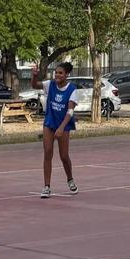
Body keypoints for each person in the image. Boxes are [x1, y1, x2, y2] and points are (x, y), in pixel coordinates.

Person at [31, 61, 78, 199]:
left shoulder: (72, 90)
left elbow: (70, 112)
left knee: (64, 156)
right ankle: (46, 186)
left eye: (60, 73)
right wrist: (34, 76)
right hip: (49, 123)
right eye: (56, 72)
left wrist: (61, 128)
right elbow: (35, 85)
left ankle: (70, 179)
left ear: (66, 75)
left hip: (63, 124)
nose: (57, 75)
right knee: (48, 153)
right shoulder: (50, 85)